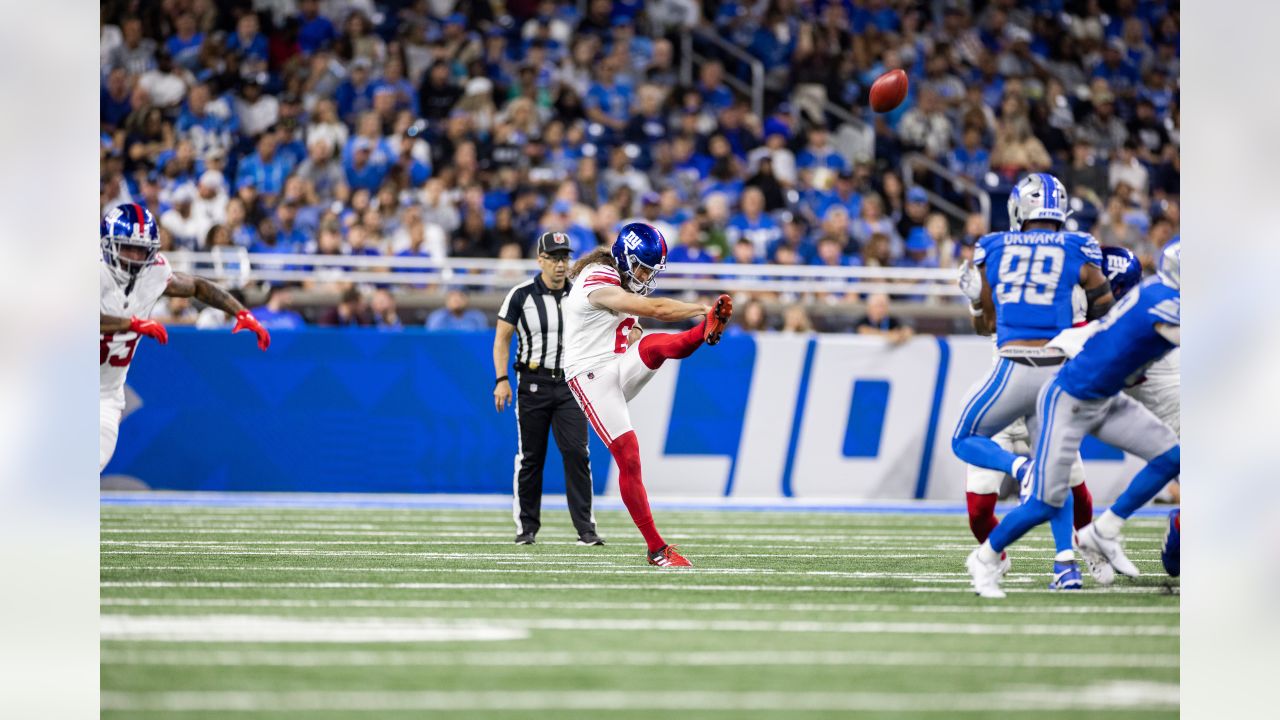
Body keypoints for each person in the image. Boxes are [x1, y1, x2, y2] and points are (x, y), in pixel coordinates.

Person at [969, 240, 1181, 598]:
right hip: (1069, 402)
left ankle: (1104, 530)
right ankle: (985, 557)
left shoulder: (1155, 293)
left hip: (1105, 401)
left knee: (1173, 457)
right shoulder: (1159, 305)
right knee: (1044, 502)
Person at [952, 174, 1114, 589]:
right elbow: (1106, 301)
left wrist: (976, 300)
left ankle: (1076, 552)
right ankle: (1053, 562)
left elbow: (985, 321)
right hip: (1044, 379)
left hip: (1019, 372)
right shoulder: (1079, 253)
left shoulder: (998, 248)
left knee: (1072, 488)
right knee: (988, 508)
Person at [562, 222, 733, 566]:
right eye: (641, 266)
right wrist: (700, 307)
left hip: (615, 363)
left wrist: (647, 344)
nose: (644, 275)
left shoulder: (618, 280)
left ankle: (703, 333)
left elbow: (639, 337)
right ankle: (656, 549)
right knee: (629, 454)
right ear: (624, 258)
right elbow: (657, 310)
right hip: (589, 374)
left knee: (654, 346)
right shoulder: (597, 278)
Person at [100, 204, 270, 472]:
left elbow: (198, 286)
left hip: (106, 395)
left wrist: (241, 312)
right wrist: (129, 323)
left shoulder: (153, 272)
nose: (134, 257)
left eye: (140, 249)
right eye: (126, 248)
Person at [494, 232, 601, 546]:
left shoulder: (580, 293)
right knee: (531, 457)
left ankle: (586, 529)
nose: (560, 264)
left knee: (577, 454)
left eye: (565, 258)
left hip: (570, 383)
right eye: (554, 257)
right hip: (533, 383)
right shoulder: (521, 294)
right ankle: (526, 528)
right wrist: (502, 380)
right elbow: (502, 338)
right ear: (540, 259)